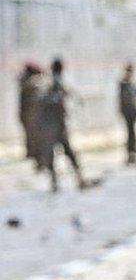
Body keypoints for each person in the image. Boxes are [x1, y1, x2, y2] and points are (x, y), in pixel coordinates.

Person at [38, 59, 88, 191]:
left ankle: (75, 180)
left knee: (65, 153)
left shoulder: (55, 82)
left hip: (57, 125)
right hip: (53, 126)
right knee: (61, 154)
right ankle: (61, 182)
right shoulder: (50, 83)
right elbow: (46, 100)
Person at [18, 62, 44, 169]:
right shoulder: (31, 82)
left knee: (32, 136)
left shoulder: (27, 82)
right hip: (30, 116)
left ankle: (35, 156)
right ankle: (37, 157)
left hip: (30, 115)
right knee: (34, 137)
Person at [118, 63, 136, 164]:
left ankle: (132, 153)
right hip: (128, 113)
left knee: (132, 134)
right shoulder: (124, 84)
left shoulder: (129, 84)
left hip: (131, 113)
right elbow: (125, 100)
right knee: (130, 134)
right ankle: (131, 154)